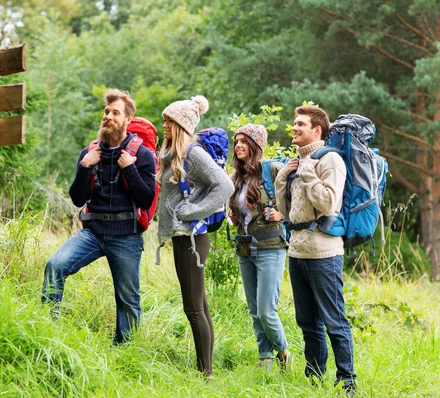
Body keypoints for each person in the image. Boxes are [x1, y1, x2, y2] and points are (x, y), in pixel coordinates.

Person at [41, 88, 156, 344]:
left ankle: (125, 352)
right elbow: (77, 199)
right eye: (106, 112)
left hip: (127, 235)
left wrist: (129, 169)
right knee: (55, 266)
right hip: (93, 232)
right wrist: (85, 167)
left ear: (127, 119)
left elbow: (146, 199)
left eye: (116, 113)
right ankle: (46, 329)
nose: (109, 117)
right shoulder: (89, 153)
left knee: (128, 299)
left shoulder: (143, 155)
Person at [274, 106, 357, 394]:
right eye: (294, 123)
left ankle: (347, 382)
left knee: (334, 320)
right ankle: (314, 380)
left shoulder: (330, 160)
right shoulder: (299, 162)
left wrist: (307, 171)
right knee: (307, 321)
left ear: (317, 130)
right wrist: (283, 177)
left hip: (324, 253)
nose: (294, 128)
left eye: (300, 124)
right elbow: (286, 212)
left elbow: (328, 203)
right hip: (297, 252)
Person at [157, 95, 234, 377]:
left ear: (181, 124)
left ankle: (206, 374)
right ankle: (206, 370)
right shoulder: (174, 155)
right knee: (199, 304)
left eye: (169, 120)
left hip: (192, 237)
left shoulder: (194, 154)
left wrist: (192, 211)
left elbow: (224, 186)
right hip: (184, 237)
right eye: (164, 119)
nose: (164, 124)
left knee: (193, 307)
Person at [228, 124, 290, 369]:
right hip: (245, 248)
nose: (239, 145)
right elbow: (243, 210)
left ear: (257, 146)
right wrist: (234, 216)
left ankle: (283, 351)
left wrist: (282, 213)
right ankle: (264, 357)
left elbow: (299, 196)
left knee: (266, 310)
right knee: (254, 310)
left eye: (244, 141)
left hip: (270, 247)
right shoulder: (238, 176)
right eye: (237, 141)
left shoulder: (273, 169)